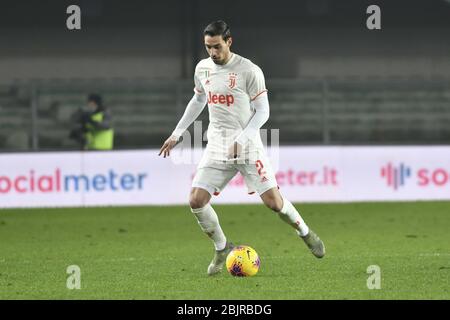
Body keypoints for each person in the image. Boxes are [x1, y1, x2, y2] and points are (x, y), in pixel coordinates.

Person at [159, 20, 325, 276]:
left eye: (216, 47)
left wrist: (242, 139)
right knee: (196, 200)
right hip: (216, 145)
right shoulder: (203, 68)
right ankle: (222, 248)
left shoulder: (249, 70)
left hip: (247, 146)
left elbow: (263, 111)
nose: (212, 53)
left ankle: (304, 232)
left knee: (274, 203)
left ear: (229, 41)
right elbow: (198, 99)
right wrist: (177, 133)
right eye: (208, 47)